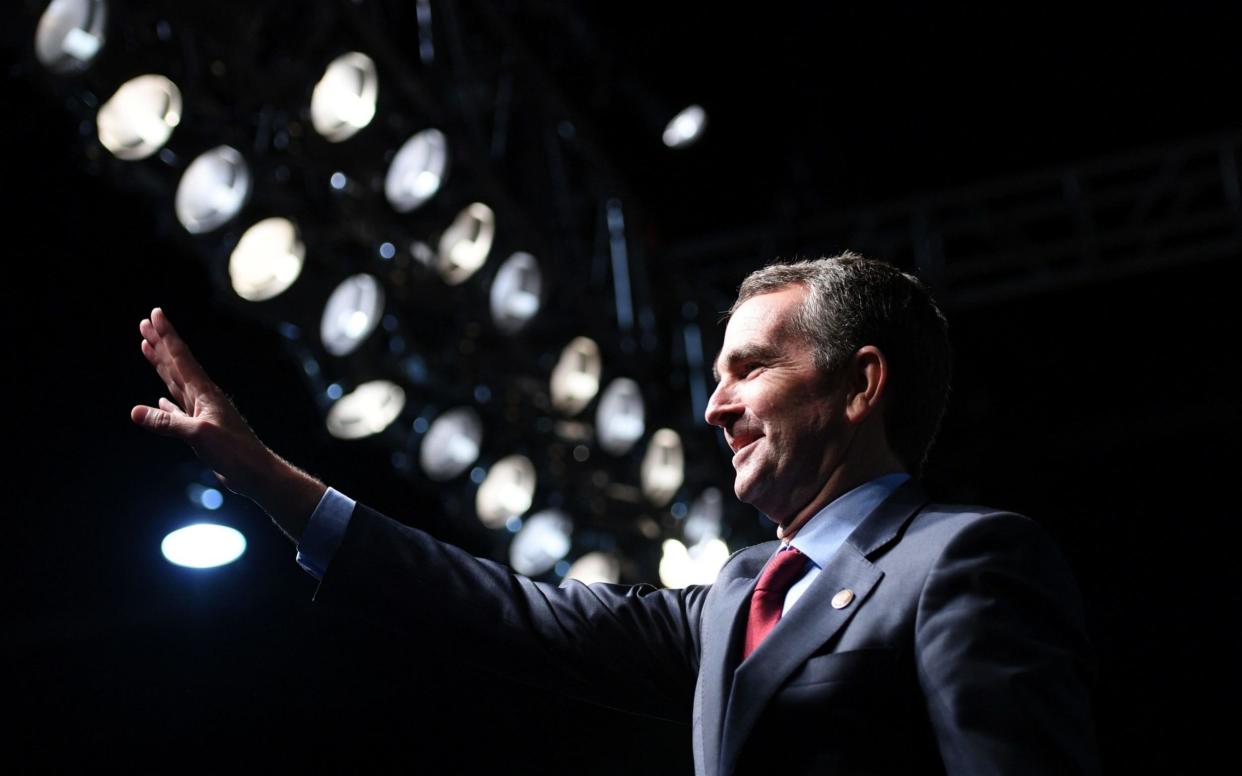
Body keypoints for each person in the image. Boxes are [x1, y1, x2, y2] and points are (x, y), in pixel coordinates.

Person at [131, 253, 1099, 775]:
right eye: (715, 374)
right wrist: (266, 479)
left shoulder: (964, 561)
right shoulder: (730, 598)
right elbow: (501, 610)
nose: (713, 407)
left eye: (751, 368)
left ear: (860, 385)